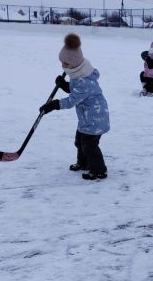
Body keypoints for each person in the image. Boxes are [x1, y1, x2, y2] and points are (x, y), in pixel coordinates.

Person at [40, 33, 110, 180]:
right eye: (62, 63)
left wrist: (53, 105)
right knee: (79, 142)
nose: (63, 66)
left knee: (89, 146)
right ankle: (83, 163)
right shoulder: (78, 74)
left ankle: (99, 170)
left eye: (66, 64)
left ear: (75, 63)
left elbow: (73, 100)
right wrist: (64, 85)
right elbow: (76, 91)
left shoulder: (84, 80)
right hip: (87, 118)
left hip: (95, 119)